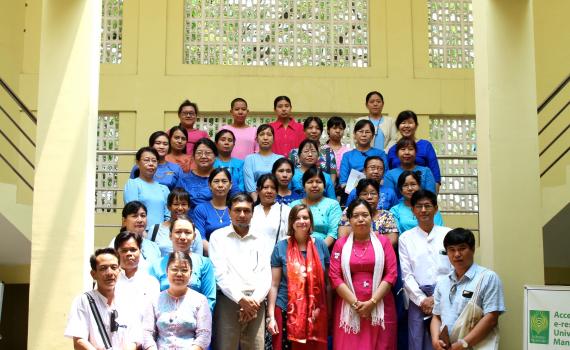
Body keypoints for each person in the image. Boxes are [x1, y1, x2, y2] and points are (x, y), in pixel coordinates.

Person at [329, 200, 398, 349]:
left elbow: (391, 274)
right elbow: (334, 276)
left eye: (365, 215)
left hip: (380, 306)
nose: (360, 219)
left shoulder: (383, 242)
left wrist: (371, 302)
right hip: (348, 308)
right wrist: (356, 304)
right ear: (349, 219)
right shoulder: (341, 244)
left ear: (371, 217)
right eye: (355, 216)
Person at [209, 193, 272, 350]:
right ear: (229, 212)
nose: (242, 215)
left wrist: (253, 302)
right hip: (227, 301)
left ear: (252, 213)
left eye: (246, 210)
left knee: (255, 347)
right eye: (237, 210)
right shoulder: (218, 237)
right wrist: (241, 299)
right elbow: (220, 273)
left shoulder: (262, 239)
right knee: (225, 347)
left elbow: (265, 274)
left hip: (256, 303)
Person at [267, 204, 330, 350]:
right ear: (291, 223)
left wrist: (329, 311)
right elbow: (274, 285)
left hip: (316, 313)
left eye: (305, 217)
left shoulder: (321, 245)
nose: (302, 221)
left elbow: (327, 283)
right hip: (285, 311)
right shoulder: (281, 247)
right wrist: (271, 316)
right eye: (297, 218)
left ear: (311, 221)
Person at [430, 228, 505, 350]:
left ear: (473, 249)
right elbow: (436, 316)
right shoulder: (442, 283)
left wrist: (462, 344)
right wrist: (435, 341)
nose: (457, 254)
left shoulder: (487, 277)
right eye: (452, 250)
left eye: (462, 248)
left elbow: (491, 318)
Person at [399, 190, 452, 350]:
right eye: (419, 206)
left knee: (445, 341)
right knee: (417, 342)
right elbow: (406, 275)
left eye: (428, 206)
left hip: (446, 297)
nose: (423, 210)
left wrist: (436, 298)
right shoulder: (406, 238)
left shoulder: (448, 234)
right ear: (413, 210)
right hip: (418, 300)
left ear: (435, 209)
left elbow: (454, 270)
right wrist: (423, 300)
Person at [64, 248, 141, 349]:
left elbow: (134, 339)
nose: (109, 272)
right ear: (93, 274)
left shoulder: (128, 300)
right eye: (103, 268)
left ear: (119, 270)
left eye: (114, 267)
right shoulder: (84, 301)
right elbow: (79, 340)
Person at [148, 215, 217, 312]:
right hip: (162, 321)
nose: (183, 237)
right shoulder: (156, 265)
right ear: (170, 235)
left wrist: (201, 321)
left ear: (194, 236)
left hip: (196, 322)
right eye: (178, 232)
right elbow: (151, 299)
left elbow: (210, 299)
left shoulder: (204, 264)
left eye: (188, 232)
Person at [151, 251, 212, 349]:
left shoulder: (200, 300)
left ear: (190, 273)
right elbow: (148, 333)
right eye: (174, 269)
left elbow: (204, 335)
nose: (179, 274)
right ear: (167, 272)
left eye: (184, 270)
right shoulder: (155, 300)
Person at [387, 110, 441, 192]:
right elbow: (388, 174)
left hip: (422, 197)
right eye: (403, 123)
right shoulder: (393, 149)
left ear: (416, 126)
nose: (406, 126)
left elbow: (435, 176)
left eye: (410, 122)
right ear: (398, 127)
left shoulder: (426, 145)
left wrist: (431, 201)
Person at [290, 166, 342, 248]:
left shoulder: (332, 205)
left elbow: (333, 233)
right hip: (296, 250)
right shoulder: (293, 205)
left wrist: (316, 252)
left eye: (318, 182)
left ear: (324, 185)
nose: (314, 185)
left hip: (323, 249)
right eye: (310, 182)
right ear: (303, 186)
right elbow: (289, 231)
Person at [339, 179, 399, 246]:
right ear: (358, 197)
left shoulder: (387, 215)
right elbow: (342, 238)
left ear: (379, 197)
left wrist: (370, 251)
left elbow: (392, 240)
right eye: (365, 194)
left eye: (373, 193)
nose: (369, 197)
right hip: (353, 253)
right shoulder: (349, 211)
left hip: (380, 253)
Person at [124, 147, 170, 230]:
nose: (151, 163)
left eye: (154, 161)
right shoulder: (133, 184)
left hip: (160, 235)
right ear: (138, 163)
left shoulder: (164, 189)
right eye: (146, 160)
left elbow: (168, 216)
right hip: (139, 233)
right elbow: (132, 213)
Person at [150, 188, 203, 257]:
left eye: (183, 204)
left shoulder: (194, 232)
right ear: (169, 207)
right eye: (176, 204)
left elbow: (199, 260)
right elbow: (149, 256)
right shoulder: (155, 230)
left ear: (189, 207)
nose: (180, 208)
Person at [192, 168, 233, 255]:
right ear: (209, 185)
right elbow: (201, 239)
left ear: (230, 185)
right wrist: (219, 254)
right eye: (216, 181)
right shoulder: (201, 209)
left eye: (224, 181)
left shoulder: (236, 208)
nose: (220, 185)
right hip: (210, 256)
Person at [339, 119, 388, 188]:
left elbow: (385, 178)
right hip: (353, 193)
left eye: (367, 132)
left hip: (376, 192)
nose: (364, 135)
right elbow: (343, 182)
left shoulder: (380, 154)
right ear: (354, 134)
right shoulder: (347, 156)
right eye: (361, 131)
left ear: (373, 135)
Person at [288, 117, 338, 183]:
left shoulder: (328, 151)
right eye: (310, 128)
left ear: (321, 131)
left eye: (317, 128)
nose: (314, 131)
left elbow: (333, 175)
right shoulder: (294, 153)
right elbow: (289, 174)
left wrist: (330, 189)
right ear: (304, 130)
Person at [250, 174, 291, 254]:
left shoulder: (286, 210)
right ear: (258, 190)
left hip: (278, 259)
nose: (269, 191)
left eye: (273, 188)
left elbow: (289, 237)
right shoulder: (251, 211)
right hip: (253, 259)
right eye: (265, 187)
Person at [113, 201, 161, 267]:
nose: (140, 220)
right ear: (124, 220)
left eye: (143, 216)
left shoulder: (153, 246)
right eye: (135, 216)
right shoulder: (117, 243)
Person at [243, 124, 283, 201]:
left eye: (269, 135)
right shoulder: (250, 159)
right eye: (262, 134)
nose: (265, 138)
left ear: (274, 139)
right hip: (255, 200)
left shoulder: (280, 159)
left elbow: (283, 184)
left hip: (278, 200)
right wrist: (258, 204)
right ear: (257, 139)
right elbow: (250, 186)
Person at [178, 138, 218, 210]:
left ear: (215, 156)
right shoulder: (184, 179)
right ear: (193, 157)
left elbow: (235, 200)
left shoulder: (224, 178)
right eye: (199, 153)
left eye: (208, 153)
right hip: (189, 220)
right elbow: (176, 203)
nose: (203, 156)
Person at [213, 129, 245, 195]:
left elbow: (242, 186)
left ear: (233, 145)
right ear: (216, 144)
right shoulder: (211, 162)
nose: (226, 143)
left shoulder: (240, 163)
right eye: (223, 140)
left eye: (230, 140)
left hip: (236, 199)